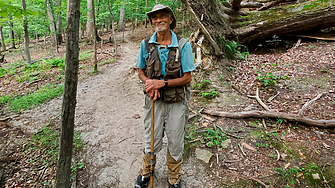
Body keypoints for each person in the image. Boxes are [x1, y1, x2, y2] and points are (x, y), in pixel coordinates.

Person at [134, 4, 195, 188]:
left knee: (176, 139)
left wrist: (163, 83)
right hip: (153, 100)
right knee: (150, 137)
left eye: (162, 16)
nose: (158, 20)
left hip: (176, 101)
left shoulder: (183, 45)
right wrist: (149, 83)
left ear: (170, 19)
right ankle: (146, 172)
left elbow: (187, 77)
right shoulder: (146, 44)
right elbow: (141, 71)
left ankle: (174, 177)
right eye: (154, 17)